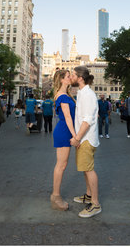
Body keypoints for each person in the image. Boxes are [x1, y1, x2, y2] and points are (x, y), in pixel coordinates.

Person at [70, 66, 101, 218]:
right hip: (84, 138)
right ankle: (89, 196)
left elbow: (87, 120)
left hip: (86, 138)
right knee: (85, 168)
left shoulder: (88, 94)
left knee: (89, 169)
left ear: (80, 78)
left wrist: (77, 138)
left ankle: (95, 204)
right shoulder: (82, 93)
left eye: (73, 75)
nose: (71, 77)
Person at [49, 70, 77, 211]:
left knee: (62, 164)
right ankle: (55, 196)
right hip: (64, 131)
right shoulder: (63, 96)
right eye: (68, 76)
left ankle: (55, 196)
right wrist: (75, 136)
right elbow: (67, 117)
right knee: (61, 165)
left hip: (65, 130)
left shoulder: (67, 95)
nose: (70, 78)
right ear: (61, 80)